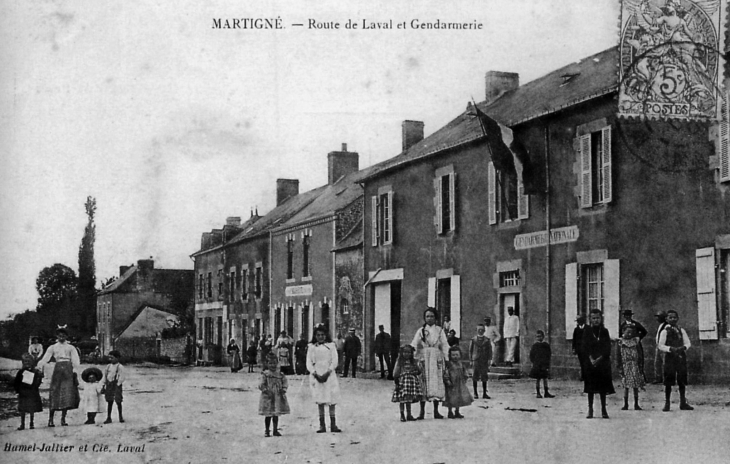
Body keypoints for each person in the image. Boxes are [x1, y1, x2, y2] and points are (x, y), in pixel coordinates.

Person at [37, 326, 80, 427]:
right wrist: (39, 366)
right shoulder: (53, 347)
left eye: (64, 335)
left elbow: (76, 361)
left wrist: (74, 372)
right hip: (57, 370)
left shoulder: (71, 347)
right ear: (57, 336)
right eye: (60, 335)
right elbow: (45, 358)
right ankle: (50, 420)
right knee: (55, 392)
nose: (61, 337)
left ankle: (63, 419)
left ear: (66, 336)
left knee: (66, 393)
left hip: (68, 370)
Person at [411, 307, 449, 420]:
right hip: (425, 358)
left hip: (437, 358)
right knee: (423, 383)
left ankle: (436, 411)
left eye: (432, 316)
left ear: (436, 318)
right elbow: (414, 344)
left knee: (436, 382)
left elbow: (445, 345)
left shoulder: (440, 331)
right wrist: (411, 357)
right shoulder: (421, 331)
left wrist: (447, 359)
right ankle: (422, 412)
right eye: (427, 316)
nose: (429, 318)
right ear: (424, 318)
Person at [306, 324, 342, 433]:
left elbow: (335, 361)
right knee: (320, 399)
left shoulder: (331, 346)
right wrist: (315, 373)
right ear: (315, 336)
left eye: (322, 335)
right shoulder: (312, 347)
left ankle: (333, 424)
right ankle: (322, 425)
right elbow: (309, 362)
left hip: (329, 375)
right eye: (318, 335)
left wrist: (328, 372)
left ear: (326, 335)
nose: (320, 337)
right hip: (317, 375)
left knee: (332, 398)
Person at [581, 310, 615, 419]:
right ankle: (590, 409)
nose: (596, 320)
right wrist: (591, 359)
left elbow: (607, 348)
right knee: (590, 387)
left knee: (602, 388)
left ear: (601, 319)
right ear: (590, 319)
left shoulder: (604, 331)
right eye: (593, 318)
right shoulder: (587, 331)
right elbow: (585, 347)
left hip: (602, 363)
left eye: (598, 318)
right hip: (590, 363)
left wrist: (599, 358)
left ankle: (604, 410)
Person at [658, 310, 693, 411]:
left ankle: (683, 402)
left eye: (674, 317)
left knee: (682, 379)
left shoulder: (681, 330)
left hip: (680, 356)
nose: (673, 319)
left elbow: (688, 343)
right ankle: (667, 403)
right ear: (666, 319)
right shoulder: (664, 331)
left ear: (678, 318)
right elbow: (660, 345)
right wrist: (670, 349)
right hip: (670, 357)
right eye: (670, 317)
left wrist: (682, 348)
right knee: (668, 380)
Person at [258, 352, 290, 437]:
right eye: (270, 363)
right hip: (268, 396)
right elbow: (261, 384)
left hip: (277, 396)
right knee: (268, 414)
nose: (273, 365)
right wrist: (265, 390)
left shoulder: (280, 374)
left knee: (276, 413)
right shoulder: (265, 374)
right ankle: (267, 430)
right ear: (267, 364)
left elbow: (285, 382)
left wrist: (283, 389)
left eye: (274, 363)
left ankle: (275, 430)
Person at [391, 344, 423, 422]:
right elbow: (396, 372)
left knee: (408, 399)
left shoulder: (414, 361)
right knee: (402, 399)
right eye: (405, 352)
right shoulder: (400, 362)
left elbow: (419, 371)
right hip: (403, 382)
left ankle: (409, 414)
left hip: (411, 382)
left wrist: (416, 370)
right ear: (401, 353)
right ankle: (402, 414)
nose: (407, 354)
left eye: (409, 352)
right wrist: (396, 381)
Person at [617, 325, 645, 411]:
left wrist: (640, 366)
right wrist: (620, 367)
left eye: (631, 333)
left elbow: (640, 354)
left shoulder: (636, 342)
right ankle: (625, 404)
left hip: (634, 365)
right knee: (626, 385)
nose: (629, 334)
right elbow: (618, 356)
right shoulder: (621, 343)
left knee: (636, 385)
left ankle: (636, 403)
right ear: (623, 332)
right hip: (625, 365)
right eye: (627, 332)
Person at [14, 353, 43, 430]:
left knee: (31, 408)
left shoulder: (36, 372)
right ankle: (22, 424)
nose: (27, 363)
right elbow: (16, 382)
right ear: (23, 363)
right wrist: (17, 391)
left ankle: (31, 423)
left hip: (32, 392)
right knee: (22, 409)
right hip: (23, 393)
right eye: (25, 362)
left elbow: (38, 382)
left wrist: (36, 384)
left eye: (29, 361)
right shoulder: (20, 372)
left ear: (32, 362)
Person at [443, 346, 473, 419]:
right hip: (451, 384)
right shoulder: (449, 364)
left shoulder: (461, 364)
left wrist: (465, 377)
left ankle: (457, 411)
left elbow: (464, 372)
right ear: (450, 356)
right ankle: (450, 411)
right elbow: (446, 373)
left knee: (459, 397)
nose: (455, 357)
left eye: (457, 355)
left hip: (460, 384)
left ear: (460, 355)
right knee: (450, 397)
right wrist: (447, 380)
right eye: (453, 355)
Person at [619, 309, 648, 381]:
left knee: (639, 358)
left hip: (635, 344)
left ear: (631, 316)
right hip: (627, 345)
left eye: (629, 315)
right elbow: (620, 335)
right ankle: (628, 376)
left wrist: (638, 337)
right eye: (626, 315)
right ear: (624, 316)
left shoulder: (636, 324)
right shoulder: (622, 325)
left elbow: (644, 331)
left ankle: (640, 375)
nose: (628, 317)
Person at [469, 324, 492, 399]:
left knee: (484, 376)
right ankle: (475, 393)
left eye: (482, 330)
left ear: (484, 330)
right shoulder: (473, 340)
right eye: (479, 329)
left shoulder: (487, 340)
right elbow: (470, 350)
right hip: (476, 360)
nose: (481, 331)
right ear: (477, 330)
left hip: (484, 360)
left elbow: (490, 351)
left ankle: (484, 393)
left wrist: (489, 359)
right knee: (475, 376)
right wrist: (471, 360)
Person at [529, 330, 554, 398]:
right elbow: (531, 355)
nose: (538, 338)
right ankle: (538, 393)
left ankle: (546, 392)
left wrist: (547, 364)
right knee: (538, 379)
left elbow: (548, 355)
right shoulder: (534, 346)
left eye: (540, 336)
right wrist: (534, 362)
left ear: (543, 337)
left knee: (545, 378)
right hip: (537, 365)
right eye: (537, 337)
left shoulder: (546, 345)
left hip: (544, 364)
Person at [103, 350, 125, 423]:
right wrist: (104, 384)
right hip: (109, 385)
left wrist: (118, 384)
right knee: (109, 401)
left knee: (118, 401)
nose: (110, 359)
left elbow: (122, 377)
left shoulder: (120, 366)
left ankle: (120, 416)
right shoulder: (108, 366)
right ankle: (109, 417)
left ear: (117, 358)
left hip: (116, 385)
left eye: (112, 358)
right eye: (109, 358)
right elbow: (105, 376)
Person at [653, 310, 668, 384]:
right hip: (658, 346)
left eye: (659, 317)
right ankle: (658, 378)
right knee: (657, 363)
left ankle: (666, 379)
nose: (657, 319)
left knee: (665, 363)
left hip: (664, 347)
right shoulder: (661, 325)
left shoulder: (667, 325)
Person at [572, 314, 588, 381]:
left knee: (587, 362)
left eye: (579, 321)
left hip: (587, 349)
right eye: (578, 321)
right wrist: (574, 348)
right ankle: (583, 376)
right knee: (582, 363)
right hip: (579, 349)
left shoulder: (588, 328)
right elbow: (574, 340)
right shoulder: (576, 329)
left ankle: (588, 376)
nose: (578, 322)